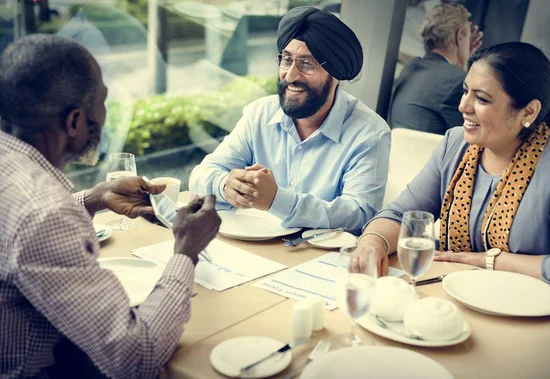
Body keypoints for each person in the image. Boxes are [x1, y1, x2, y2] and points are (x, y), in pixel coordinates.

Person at [0, 35, 221, 378]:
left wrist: (93, 198)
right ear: (74, 122)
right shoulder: (44, 215)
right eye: (102, 103)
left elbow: (19, 224)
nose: (104, 117)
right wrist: (186, 252)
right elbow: (135, 357)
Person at [352, 42, 550, 298]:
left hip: (525, 310)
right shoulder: (455, 143)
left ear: (528, 111)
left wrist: (487, 261)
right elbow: (400, 215)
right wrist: (374, 242)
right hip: (450, 297)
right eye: (465, 91)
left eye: (481, 98)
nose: (463, 105)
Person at [189, 6, 391, 230]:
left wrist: (278, 200)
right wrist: (224, 184)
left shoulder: (369, 133)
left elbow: (360, 214)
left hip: (319, 259)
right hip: (252, 249)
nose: (291, 75)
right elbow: (201, 174)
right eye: (286, 60)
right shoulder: (259, 114)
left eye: (307, 64)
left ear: (336, 73)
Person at [389, 3, 483, 135]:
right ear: (460, 36)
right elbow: (469, 136)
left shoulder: (410, 68)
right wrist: (463, 67)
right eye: (467, 36)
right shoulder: (456, 81)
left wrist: (462, 64)